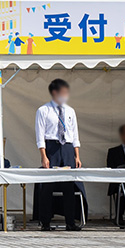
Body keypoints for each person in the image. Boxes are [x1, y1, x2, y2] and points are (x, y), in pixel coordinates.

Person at [35, 78, 82, 231]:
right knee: (47, 186)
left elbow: (75, 134)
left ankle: (70, 222)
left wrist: (77, 155)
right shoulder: (43, 110)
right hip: (52, 147)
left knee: (69, 186)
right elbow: (40, 135)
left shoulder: (70, 111)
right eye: (63, 92)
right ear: (54, 92)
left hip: (67, 148)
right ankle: (45, 222)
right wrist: (44, 155)